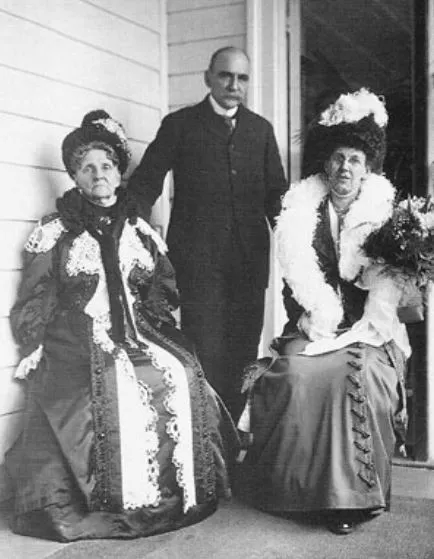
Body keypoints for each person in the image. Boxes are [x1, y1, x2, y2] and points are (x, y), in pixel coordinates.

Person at [5, 110, 237, 542]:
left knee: (180, 371)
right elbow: (37, 294)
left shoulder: (139, 229)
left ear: (118, 172)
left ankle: (178, 494)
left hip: (137, 328)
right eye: (88, 167)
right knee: (115, 379)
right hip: (78, 333)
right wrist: (36, 341)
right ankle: (117, 502)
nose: (99, 175)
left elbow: (161, 290)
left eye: (107, 166)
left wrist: (155, 329)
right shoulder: (57, 231)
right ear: (74, 175)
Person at [237, 89, 410, 535]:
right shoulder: (300, 213)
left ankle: (347, 501)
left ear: (367, 167)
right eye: (337, 158)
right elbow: (296, 284)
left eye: (354, 160)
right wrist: (314, 316)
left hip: (370, 327)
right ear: (325, 164)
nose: (344, 168)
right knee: (295, 374)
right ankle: (292, 494)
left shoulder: (385, 216)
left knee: (357, 375)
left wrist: (366, 323)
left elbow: (388, 293)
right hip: (315, 324)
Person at [128, 47, 287, 420]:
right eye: (225, 75)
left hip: (248, 265)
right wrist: (125, 225)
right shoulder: (180, 125)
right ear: (208, 78)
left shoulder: (260, 130)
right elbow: (146, 181)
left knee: (244, 352)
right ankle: (207, 440)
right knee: (205, 351)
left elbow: (276, 197)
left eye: (242, 78)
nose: (234, 85)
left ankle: (232, 439)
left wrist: (301, 245)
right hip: (198, 265)